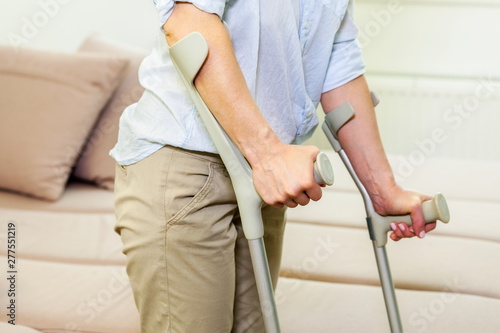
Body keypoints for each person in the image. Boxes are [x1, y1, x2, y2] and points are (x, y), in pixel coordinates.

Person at [110, 0, 437, 332]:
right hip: (186, 163)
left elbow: (338, 59)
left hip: (259, 175)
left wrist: (383, 191)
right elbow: (189, 23)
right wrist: (268, 155)